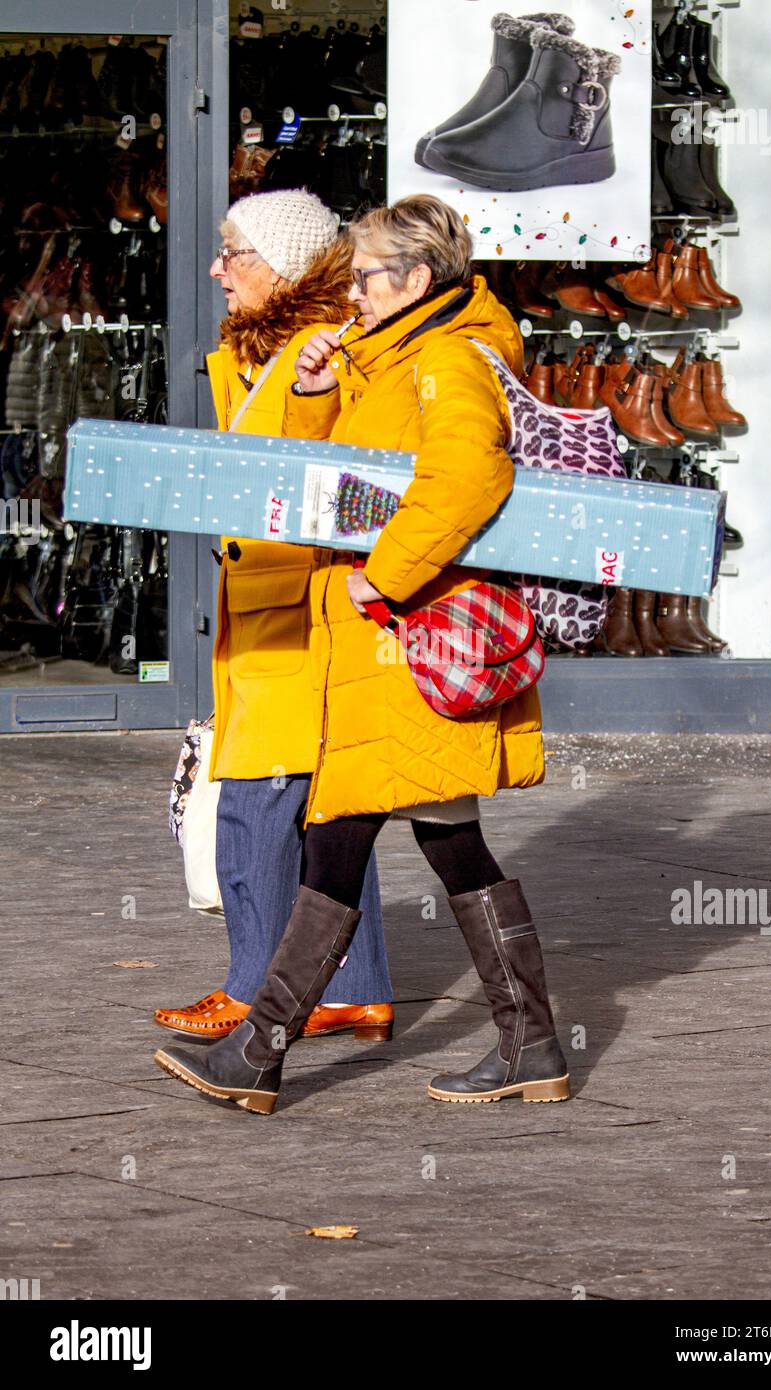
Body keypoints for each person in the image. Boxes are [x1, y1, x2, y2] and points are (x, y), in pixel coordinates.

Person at [155, 194, 569, 1114]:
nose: (353, 289)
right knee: (434, 844)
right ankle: (528, 1045)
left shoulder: (448, 359)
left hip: (410, 645)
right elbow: (321, 483)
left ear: (416, 280)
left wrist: (380, 577)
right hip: (386, 654)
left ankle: (260, 1053)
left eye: (368, 275)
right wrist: (310, 393)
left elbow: (468, 476)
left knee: (350, 841)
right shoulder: (381, 361)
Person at [153, 190, 394, 1044]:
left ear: (284, 265)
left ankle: (256, 987)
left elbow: (353, 476)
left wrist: (323, 380)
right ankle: (354, 988)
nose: (218, 268)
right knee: (328, 807)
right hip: (278, 613)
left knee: (253, 809)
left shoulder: (323, 350)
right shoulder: (257, 352)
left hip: (303, 615)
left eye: (234, 253)